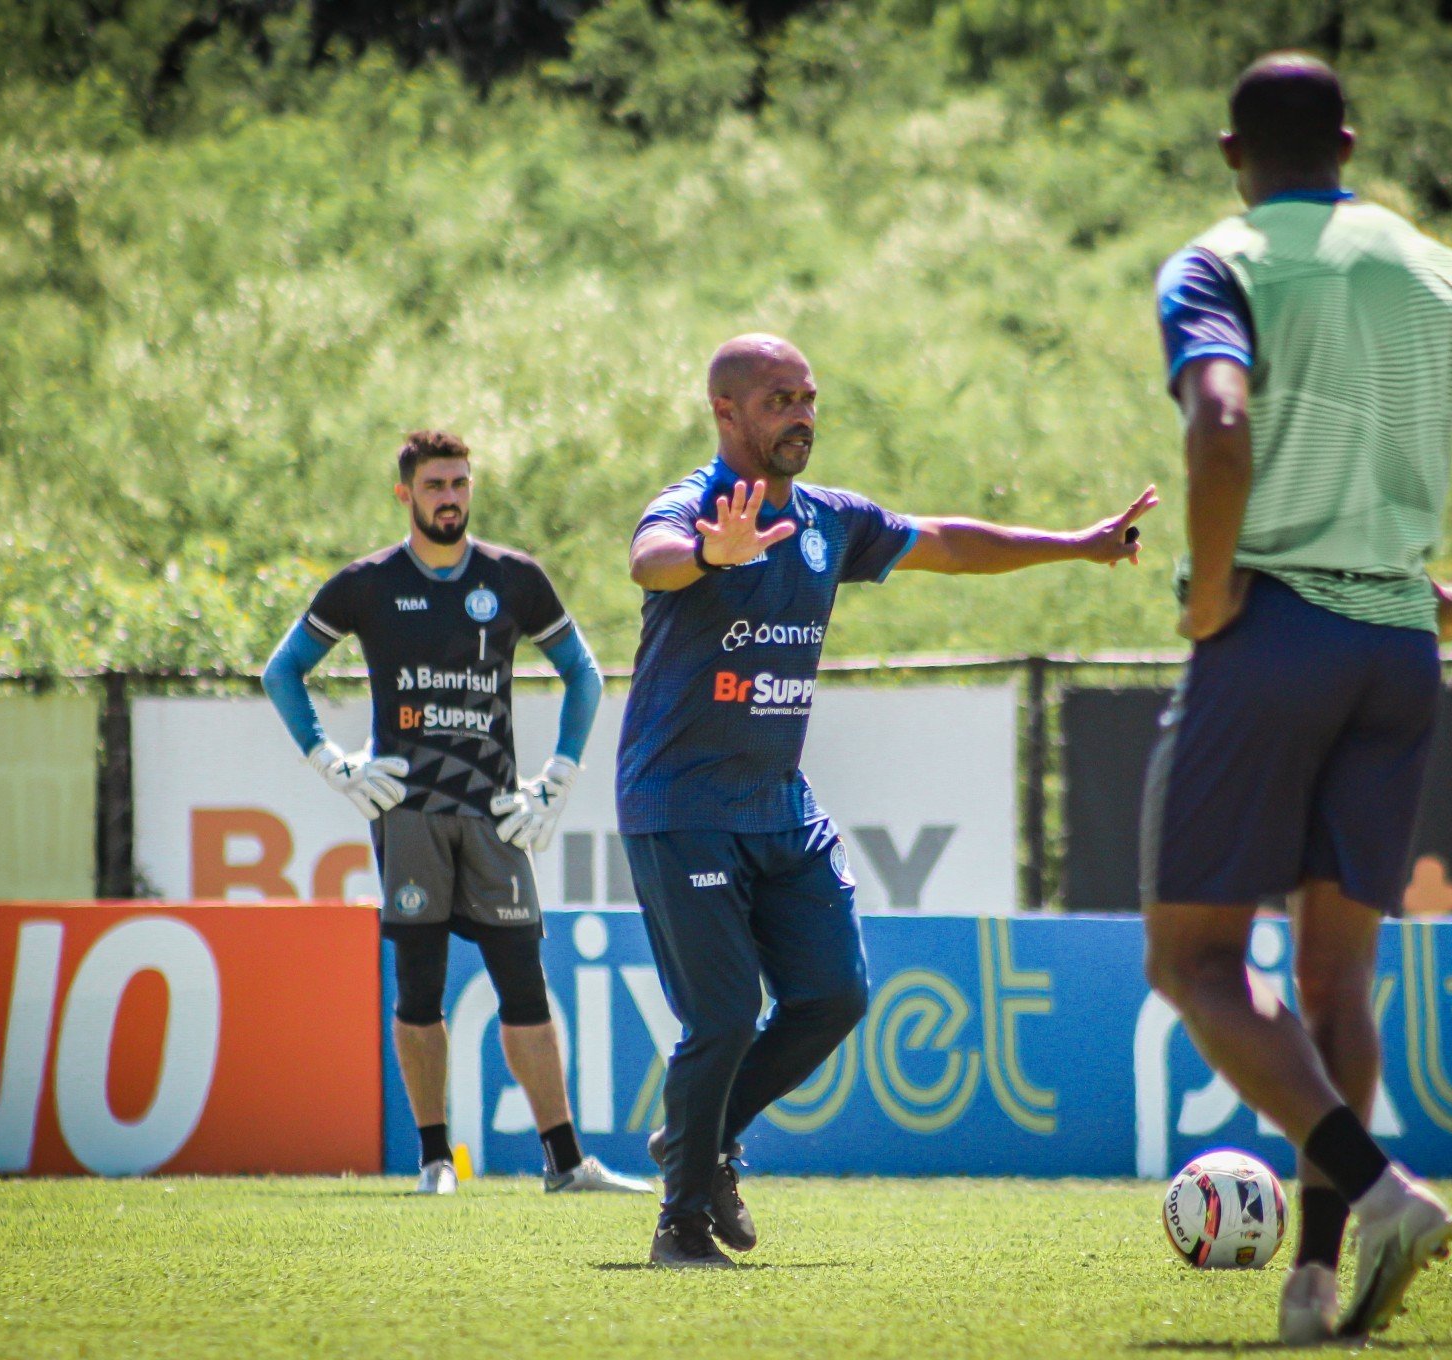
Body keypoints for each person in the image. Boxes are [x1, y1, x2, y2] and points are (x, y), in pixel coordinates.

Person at [1143, 54, 1452, 1341]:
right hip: (1403, 644)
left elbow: (1221, 422)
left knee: (1192, 957)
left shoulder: (1219, 257)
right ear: (1347, 144)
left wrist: (1209, 594)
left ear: (1232, 150)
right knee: (1339, 980)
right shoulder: (1439, 271)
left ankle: (1381, 1192)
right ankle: (1311, 1281)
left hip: (1274, 629)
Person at [621, 333, 1158, 1267]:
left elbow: (947, 541)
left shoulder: (833, 519)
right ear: (727, 413)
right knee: (720, 1013)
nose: (801, 415)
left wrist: (1074, 546)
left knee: (834, 995)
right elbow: (651, 557)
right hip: (684, 803)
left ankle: (697, 1140)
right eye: (780, 399)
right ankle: (682, 1217)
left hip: (779, 805)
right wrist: (712, 554)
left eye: (809, 397)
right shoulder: (695, 506)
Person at [262, 429, 650, 1197]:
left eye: (461, 484)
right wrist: (333, 762)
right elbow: (284, 672)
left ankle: (567, 1165)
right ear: (405, 493)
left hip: (495, 814)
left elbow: (585, 674)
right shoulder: (367, 584)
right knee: (419, 988)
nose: (451, 498)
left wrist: (557, 778)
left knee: (525, 987)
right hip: (407, 815)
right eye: (436, 485)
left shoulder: (514, 578)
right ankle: (435, 1161)